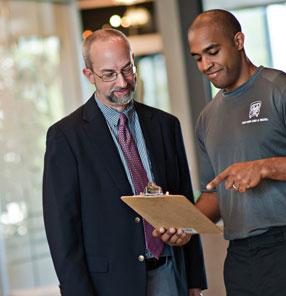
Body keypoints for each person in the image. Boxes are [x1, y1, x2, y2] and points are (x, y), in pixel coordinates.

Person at [187, 9, 286, 296]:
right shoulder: (207, 118)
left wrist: (264, 167)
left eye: (212, 52)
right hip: (239, 257)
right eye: (198, 57)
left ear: (238, 40)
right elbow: (214, 195)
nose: (205, 65)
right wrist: (182, 226)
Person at [43, 28, 207, 296]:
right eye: (108, 74)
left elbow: (183, 202)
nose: (122, 82)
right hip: (108, 285)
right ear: (89, 76)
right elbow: (63, 231)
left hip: (168, 273)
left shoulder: (166, 125)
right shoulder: (66, 137)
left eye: (128, 69)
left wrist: (194, 281)